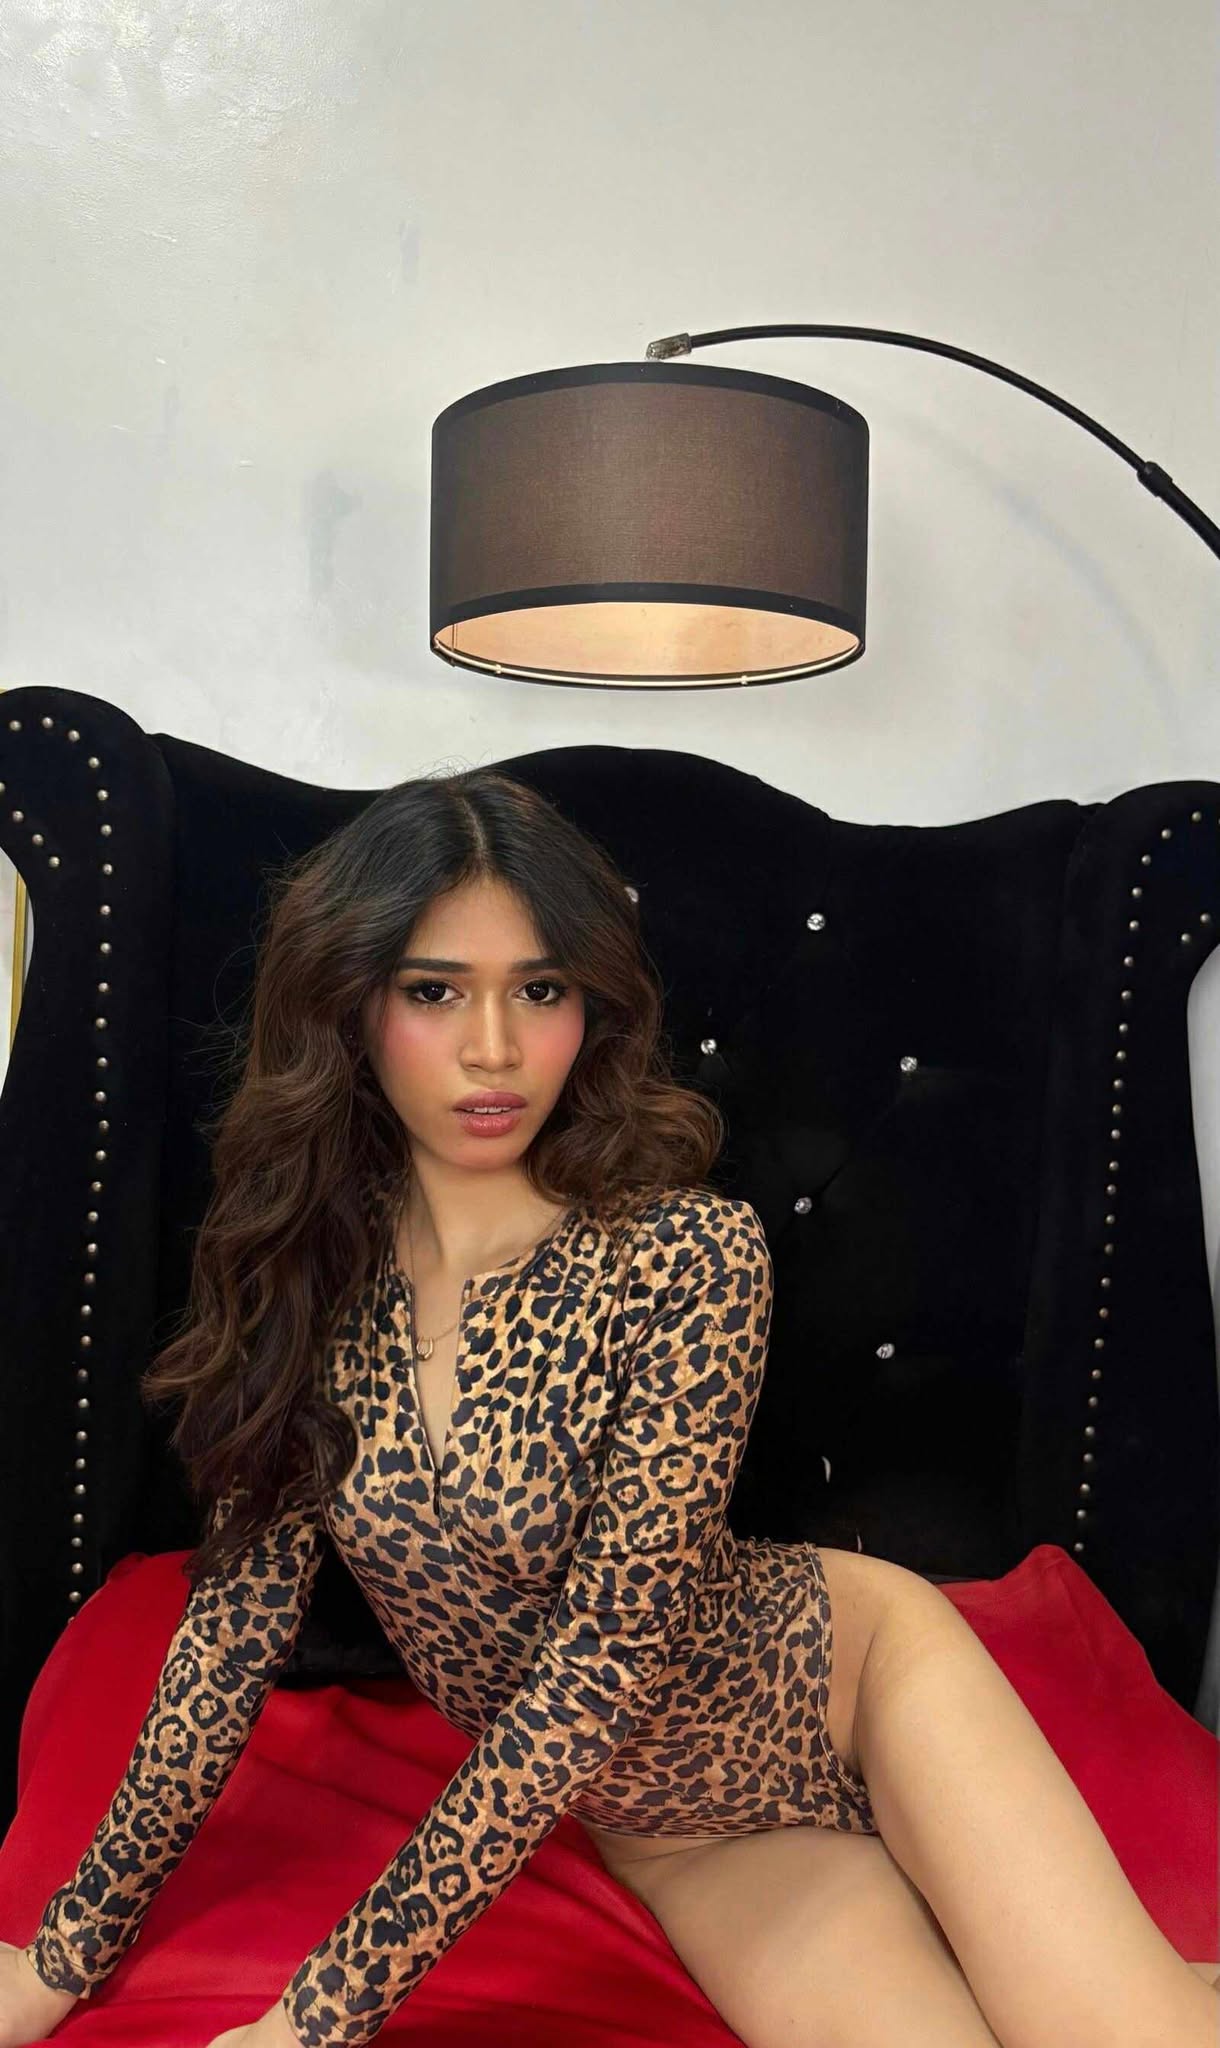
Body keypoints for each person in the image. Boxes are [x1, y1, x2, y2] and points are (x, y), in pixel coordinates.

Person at [3, 768, 1217, 2048]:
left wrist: (316, 2013)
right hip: (676, 1831)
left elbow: (600, 1662)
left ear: (589, 1005)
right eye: (434, 990)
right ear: (349, 1003)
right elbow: (230, 1633)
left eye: (538, 990)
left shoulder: (686, 1256)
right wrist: (61, 1952)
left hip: (856, 1686)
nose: (492, 1047)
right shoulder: (311, 1275)